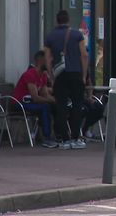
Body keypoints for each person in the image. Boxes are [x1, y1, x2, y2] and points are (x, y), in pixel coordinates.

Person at [44, 10, 89, 150]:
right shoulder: (77, 34)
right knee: (77, 105)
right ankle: (75, 136)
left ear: (57, 21)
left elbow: (47, 58)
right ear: (68, 20)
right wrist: (84, 75)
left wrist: (51, 76)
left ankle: (64, 138)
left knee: (61, 106)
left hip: (60, 74)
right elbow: (84, 55)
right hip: (75, 72)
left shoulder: (50, 36)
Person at [12, 50, 57, 148]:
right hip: (20, 103)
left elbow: (45, 94)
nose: (50, 63)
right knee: (45, 107)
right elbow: (36, 98)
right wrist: (51, 100)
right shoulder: (30, 74)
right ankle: (46, 137)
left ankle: (58, 134)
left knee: (53, 106)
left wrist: (56, 100)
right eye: (48, 60)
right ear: (40, 61)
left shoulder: (43, 75)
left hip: (31, 102)